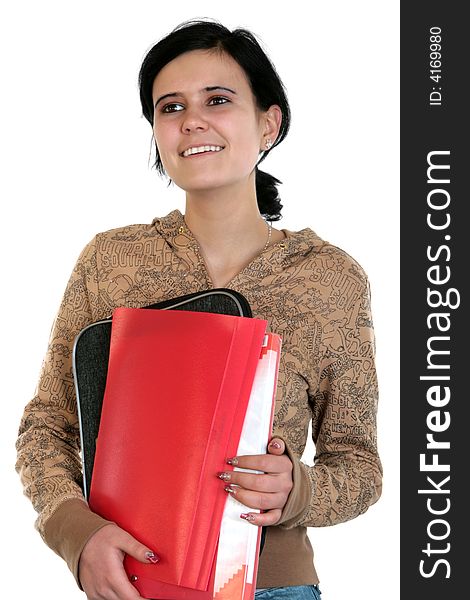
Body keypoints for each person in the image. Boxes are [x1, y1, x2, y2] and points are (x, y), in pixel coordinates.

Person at [15, 18, 382, 600]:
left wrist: (298, 491)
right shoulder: (113, 260)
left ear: (269, 123)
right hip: (133, 581)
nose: (191, 120)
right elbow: (47, 428)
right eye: (170, 107)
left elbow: (359, 467)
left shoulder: (330, 277)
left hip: (272, 588)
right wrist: (76, 535)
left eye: (218, 100)